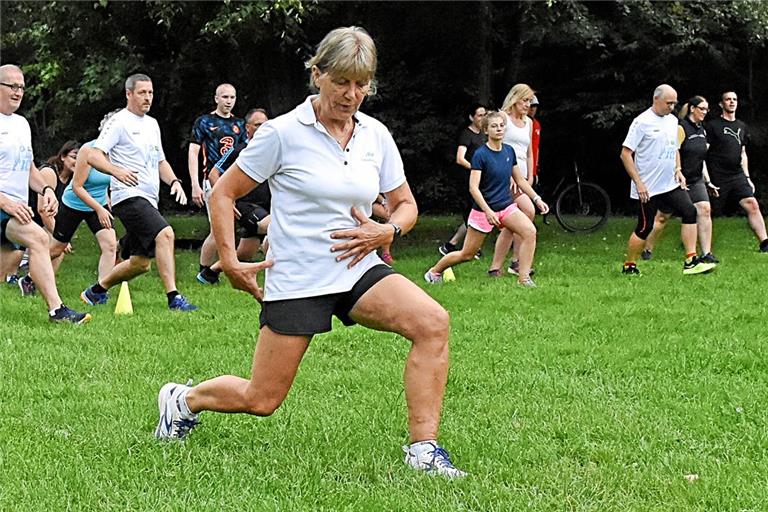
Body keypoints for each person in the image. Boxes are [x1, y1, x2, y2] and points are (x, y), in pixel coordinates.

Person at [153, 26, 466, 478]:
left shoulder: (375, 135)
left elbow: (406, 204)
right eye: (341, 81)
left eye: (361, 83)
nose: (351, 93)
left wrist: (388, 231)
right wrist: (232, 260)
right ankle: (183, 399)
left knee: (433, 322)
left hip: (359, 268)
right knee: (262, 399)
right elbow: (223, 193)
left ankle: (423, 450)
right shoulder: (282, 133)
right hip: (298, 275)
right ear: (317, 74)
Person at [80, 73, 197, 311]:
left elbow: (160, 162)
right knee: (165, 234)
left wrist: (174, 181)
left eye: (151, 93)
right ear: (129, 94)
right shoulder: (119, 122)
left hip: (149, 198)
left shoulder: (152, 124)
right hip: (128, 196)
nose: (148, 98)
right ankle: (174, 298)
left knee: (140, 263)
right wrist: (116, 171)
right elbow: (93, 155)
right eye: (142, 92)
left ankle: (96, 292)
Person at [0, 64, 91, 323]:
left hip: (12, 209)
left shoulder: (21, 125)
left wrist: (47, 189)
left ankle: (57, 311)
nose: (18, 92)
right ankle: (57, 310)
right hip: (4, 206)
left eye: (22, 87)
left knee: (35, 242)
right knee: (40, 237)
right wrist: (6, 203)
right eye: (12, 86)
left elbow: (28, 168)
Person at [424, 110, 548, 286]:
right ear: (486, 131)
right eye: (494, 126)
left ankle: (524, 277)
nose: (499, 129)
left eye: (501, 126)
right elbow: (473, 188)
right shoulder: (480, 154)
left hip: (506, 206)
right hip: (483, 210)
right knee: (466, 254)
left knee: (529, 231)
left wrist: (536, 199)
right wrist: (488, 211)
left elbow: (519, 180)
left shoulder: (509, 151)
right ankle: (434, 272)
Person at [619, 84, 716, 276]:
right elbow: (625, 154)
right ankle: (629, 265)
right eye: (668, 103)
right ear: (656, 100)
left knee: (690, 211)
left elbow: (674, 149)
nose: (672, 107)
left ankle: (691, 260)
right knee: (645, 227)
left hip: (669, 183)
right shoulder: (642, 122)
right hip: (648, 187)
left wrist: (678, 169)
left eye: (674, 103)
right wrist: (639, 183)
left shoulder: (673, 121)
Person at [641, 96, 719, 263]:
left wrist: (708, 181)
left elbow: (701, 158)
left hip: (696, 179)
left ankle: (706, 254)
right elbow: (672, 151)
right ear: (692, 109)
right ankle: (647, 248)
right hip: (676, 180)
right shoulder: (681, 128)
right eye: (702, 109)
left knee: (705, 209)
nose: (705, 112)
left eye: (707, 110)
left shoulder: (702, 130)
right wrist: (678, 171)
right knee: (662, 218)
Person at [198, 108, 272, 283]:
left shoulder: (273, 150)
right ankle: (283, 277)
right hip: (245, 206)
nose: (262, 128)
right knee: (276, 228)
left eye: (266, 125)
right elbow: (213, 173)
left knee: (243, 255)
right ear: (248, 128)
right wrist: (226, 201)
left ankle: (209, 274)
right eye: (258, 125)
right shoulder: (240, 150)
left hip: (265, 206)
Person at [49, 111, 124, 281]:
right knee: (56, 249)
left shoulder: (117, 154)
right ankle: (30, 278)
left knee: (110, 246)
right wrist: (99, 209)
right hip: (74, 203)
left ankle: (100, 291)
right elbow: (78, 187)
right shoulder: (89, 151)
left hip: (98, 204)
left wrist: (107, 201)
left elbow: (101, 181)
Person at [189, 84, 249, 285]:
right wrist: (195, 184)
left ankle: (214, 271)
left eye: (232, 97)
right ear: (216, 98)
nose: (228, 101)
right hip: (212, 180)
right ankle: (205, 271)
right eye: (224, 97)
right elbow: (193, 152)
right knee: (218, 229)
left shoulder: (240, 125)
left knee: (226, 227)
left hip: (234, 182)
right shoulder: (204, 122)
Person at [705, 91, 768, 252]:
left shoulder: (741, 126)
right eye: (728, 99)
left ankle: (765, 243)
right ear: (721, 104)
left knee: (752, 204)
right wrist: (706, 178)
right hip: (717, 176)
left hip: (737, 175)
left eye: (734, 99)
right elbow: (702, 152)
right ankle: (697, 244)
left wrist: (747, 177)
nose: (732, 102)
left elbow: (742, 153)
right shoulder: (712, 126)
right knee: (706, 211)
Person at [488, 84, 537, 276]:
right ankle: (515, 261)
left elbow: (529, 152)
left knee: (513, 221)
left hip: (522, 177)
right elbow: (495, 146)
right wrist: (507, 174)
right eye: (525, 100)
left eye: (530, 101)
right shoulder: (503, 119)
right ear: (515, 99)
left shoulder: (529, 122)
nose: (528, 105)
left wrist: (530, 176)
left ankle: (498, 266)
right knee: (528, 211)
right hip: (505, 177)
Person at [438, 103, 487, 256]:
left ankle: (450, 245)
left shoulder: (483, 135)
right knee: (474, 213)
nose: (483, 118)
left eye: (485, 114)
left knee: (475, 213)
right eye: (479, 115)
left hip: (480, 180)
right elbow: (460, 158)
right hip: (467, 180)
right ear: (471, 117)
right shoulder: (467, 134)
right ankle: (475, 248)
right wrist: (475, 168)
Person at [529, 95, 541, 182]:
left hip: (532, 166)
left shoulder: (537, 124)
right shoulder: (522, 123)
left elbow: (536, 148)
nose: (533, 109)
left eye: (535, 106)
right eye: (531, 106)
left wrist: (535, 169)